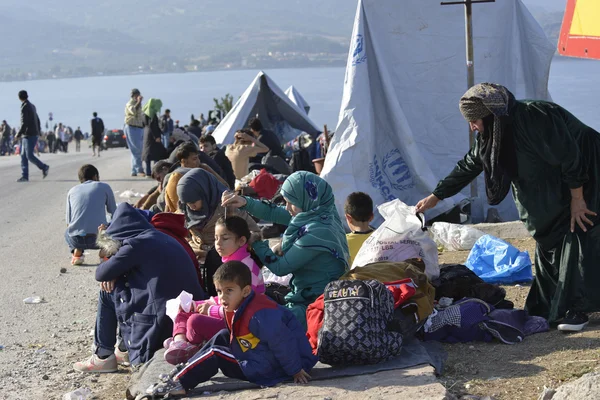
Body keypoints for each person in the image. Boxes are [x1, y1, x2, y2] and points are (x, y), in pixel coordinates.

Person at [415, 83, 600, 332]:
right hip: (552, 180)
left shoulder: (535, 117)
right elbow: (470, 164)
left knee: (579, 229)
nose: (472, 127)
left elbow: (570, 156)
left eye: (475, 120)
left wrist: (578, 199)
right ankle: (551, 304)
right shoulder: (494, 133)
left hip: (587, 170)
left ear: (491, 116)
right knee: (548, 231)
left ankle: (577, 308)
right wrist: (436, 197)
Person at [146, 261, 318, 398]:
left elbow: (282, 341)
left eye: (229, 291)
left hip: (273, 368)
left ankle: (181, 383)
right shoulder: (243, 305)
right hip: (262, 355)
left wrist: (295, 370)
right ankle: (186, 369)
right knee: (222, 336)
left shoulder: (258, 314)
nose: (222, 297)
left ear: (245, 291)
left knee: (216, 354)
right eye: (219, 291)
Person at [73, 203, 205, 373]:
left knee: (109, 290)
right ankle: (122, 349)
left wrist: (108, 252)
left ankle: (103, 355)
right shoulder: (157, 235)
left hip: (160, 325)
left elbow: (101, 273)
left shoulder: (135, 245)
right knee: (126, 282)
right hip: (186, 318)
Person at [222, 171, 349, 328]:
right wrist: (244, 202)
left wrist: (257, 243)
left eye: (291, 202)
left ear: (306, 199)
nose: (287, 207)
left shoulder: (318, 231)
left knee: (261, 323)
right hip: (308, 294)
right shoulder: (320, 212)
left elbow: (281, 267)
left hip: (316, 304)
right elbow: (274, 211)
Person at [163, 216, 265, 365]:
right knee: (185, 307)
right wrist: (202, 304)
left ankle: (191, 346)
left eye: (225, 238)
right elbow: (226, 297)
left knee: (194, 320)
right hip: (227, 314)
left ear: (241, 241)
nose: (218, 243)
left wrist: (210, 309)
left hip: (244, 325)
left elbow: (242, 309)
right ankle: (180, 341)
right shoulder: (232, 263)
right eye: (216, 238)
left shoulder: (243, 268)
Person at [177, 169, 259, 295]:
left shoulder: (227, 207)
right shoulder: (186, 209)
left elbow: (254, 232)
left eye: (193, 202)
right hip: (199, 254)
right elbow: (183, 235)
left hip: (226, 257)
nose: (190, 207)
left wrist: (230, 247)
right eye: (187, 203)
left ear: (204, 193)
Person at [65, 164, 116, 265]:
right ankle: (104, 252)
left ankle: (77, 252)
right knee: (112, 225)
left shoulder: (72, 191)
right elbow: (114, 212)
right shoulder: (104, 187)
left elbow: (68, 222)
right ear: (95, 176)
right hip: (98, 239)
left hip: (77, 239)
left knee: (67, 232)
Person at [164, 142, 229, 212]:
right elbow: (179, 208)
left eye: (198, 158)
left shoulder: (200, 172)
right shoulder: (176, 177)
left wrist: (209, 170)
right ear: (184, 162)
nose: (199, 161)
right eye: (194, 159)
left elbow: (225, 187)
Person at [16, 90, 49, 182]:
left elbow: (24, 123)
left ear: (19, 98)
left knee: (29, 155)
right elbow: (37, 119)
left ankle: (44, 167)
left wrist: (18, 134)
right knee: (23, 155)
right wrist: (38, 131)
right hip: (31, 134)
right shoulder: (32, 106)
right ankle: (25, 176)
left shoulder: (24, 107)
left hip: (28, 134)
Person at [344, 192, 375, 265]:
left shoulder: (343, 242)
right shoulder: (383, 236)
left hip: (356, 276)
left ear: (348, 218)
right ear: (371, 217)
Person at [142, 98, 168, 176]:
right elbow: (153, 126)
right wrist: (157, 136)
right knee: (156, 154)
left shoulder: (144, 113)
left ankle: (148, 172)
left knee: (148, 154)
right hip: (153, 135)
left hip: (146, 134)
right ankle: (156, 171)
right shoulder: (152, 114)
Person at [124, 88, 145, 176]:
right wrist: (139, 102)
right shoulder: (130, 103)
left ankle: (134, 170)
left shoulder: (139, 105)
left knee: (135, 150)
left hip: (139, 128)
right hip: (132, 127)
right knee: (137, 150)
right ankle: (139, 169)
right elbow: (133, 111)